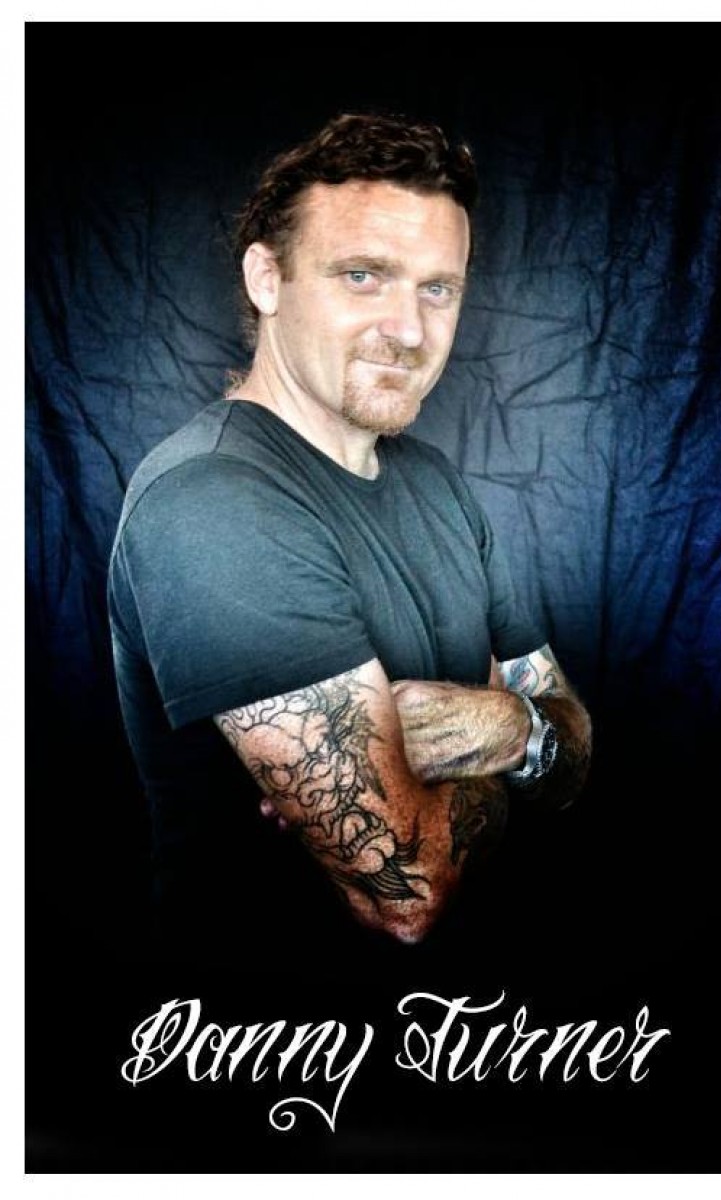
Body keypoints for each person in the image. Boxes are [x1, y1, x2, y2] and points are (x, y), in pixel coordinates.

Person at [108, 112, 592, 961]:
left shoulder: (436, 483)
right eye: (364, 276)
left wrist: (509, 725)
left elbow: (573, 741)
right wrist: (522, 743)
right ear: (268, 277)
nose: (409, 330)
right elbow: (405, 887)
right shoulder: (213, 501)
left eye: (438, 288)